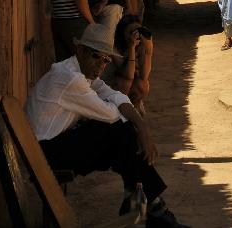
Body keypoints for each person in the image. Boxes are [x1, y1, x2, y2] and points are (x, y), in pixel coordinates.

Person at [25, 23, 188, 226]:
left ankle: (140, 197)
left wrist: (142, 127)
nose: (101, 65)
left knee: (122, 136)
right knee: (119, 131)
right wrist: (141, 129)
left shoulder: (78, 70)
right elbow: (111, 113)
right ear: (80, 50)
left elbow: (115, 95)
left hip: (51, 146)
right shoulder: (69, 78)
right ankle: (150, 205)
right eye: (95, 56)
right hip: (44, 154)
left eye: (106, 60)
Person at [104, 13, 154, 113]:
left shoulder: (140, 46)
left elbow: (144, 76)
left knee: (142, 84)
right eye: (130, 32)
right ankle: (125, 110)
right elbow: (128, 75)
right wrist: (131, 48)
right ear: (122, 33)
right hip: (112, 82)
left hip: (129, 84)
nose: (134, 34)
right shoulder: (113, 47)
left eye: (137, 31)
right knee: (126, 83)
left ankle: (134, 108)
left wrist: (149, 51)